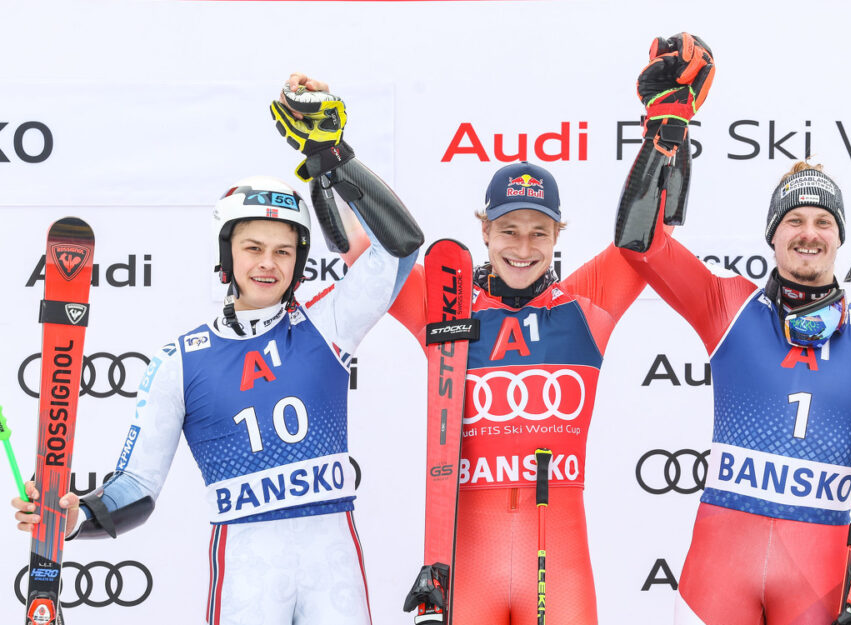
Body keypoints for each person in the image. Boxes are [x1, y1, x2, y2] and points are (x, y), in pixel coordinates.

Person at [12, 76, 424, 625]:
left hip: (333, 556)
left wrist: (332, 157)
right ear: (226, 254)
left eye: (283, 251)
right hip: (248, 563)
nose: (267, 264)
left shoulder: (325, 324)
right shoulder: (183, 359)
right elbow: (136, 486)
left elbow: (398, 252)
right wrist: (78, 516)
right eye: (252, 247)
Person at [268, 75, 654, 623]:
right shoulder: (445, 299)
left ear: (558, 234)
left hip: (559, 561)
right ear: (485, 231)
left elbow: (642, 237)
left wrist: (668, 130)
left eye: (538, 232)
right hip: (470, 562)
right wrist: (327, 157)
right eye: (508, 230)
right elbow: (360, 247)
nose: (523, 247)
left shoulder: (587, 303)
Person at [613, 35, 851, 625]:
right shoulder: (729, 306)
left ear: (839, 237)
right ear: (772, 235)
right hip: (715, 582)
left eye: (823, 221)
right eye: (795, 219)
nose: (809, 232)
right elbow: (641, 245)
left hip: (822, 583)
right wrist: (665, 132)